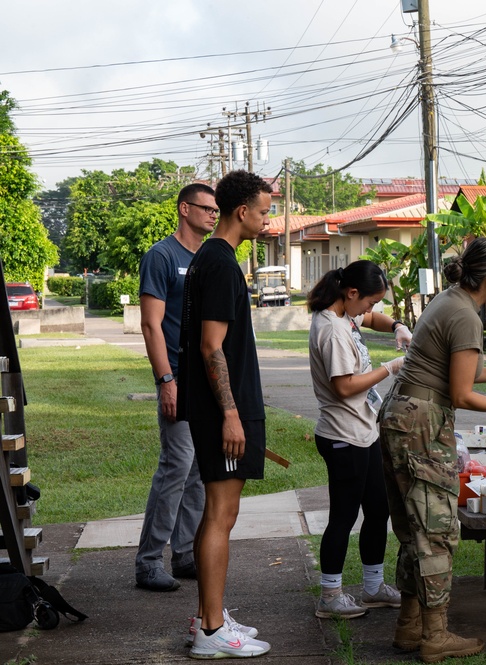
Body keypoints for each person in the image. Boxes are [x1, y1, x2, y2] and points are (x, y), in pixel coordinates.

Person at [378, 237, 486, 664]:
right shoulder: (465, 314)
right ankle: (435, 636)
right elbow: (461, 392)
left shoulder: (450, 300)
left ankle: (409, 626)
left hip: (402, 414)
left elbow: (459, 368)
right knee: (436, 529)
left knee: (413, 528)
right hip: (421, 421)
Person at [178, 170, 273, 658]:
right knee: (221, 514)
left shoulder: (215, 260)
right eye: (263, 210)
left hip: (221, 409)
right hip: (222, 413)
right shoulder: (218, 263)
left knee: (217, 514)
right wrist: (232, 415)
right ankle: (212, 632)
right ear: (242, 212)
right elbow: (211, 347)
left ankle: (208, 617)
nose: (266, 219)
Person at [307, 261, 411, 619]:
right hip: (342, 437)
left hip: (363, 433)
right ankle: (330, 596)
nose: (370, 310)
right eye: (368, 302)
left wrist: (398, 327)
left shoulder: (345, 316)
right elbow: (345, 386)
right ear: (351, 293)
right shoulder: (332, 330)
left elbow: (372, 320)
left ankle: (372, 587)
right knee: (343, 516)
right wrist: (389, 368)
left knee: (378, 509)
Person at [134, 183, 215, 592]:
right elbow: (151, 324)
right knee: (177, 467)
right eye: (206, 208)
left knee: (200, 471)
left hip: (207, 383)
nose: (213, 215)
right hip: (178, 380)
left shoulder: (209, 256)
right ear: (184, 209)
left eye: (217, 209)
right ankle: (148, 561)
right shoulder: (161, 255)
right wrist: (166, 381)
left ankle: (184, 554)